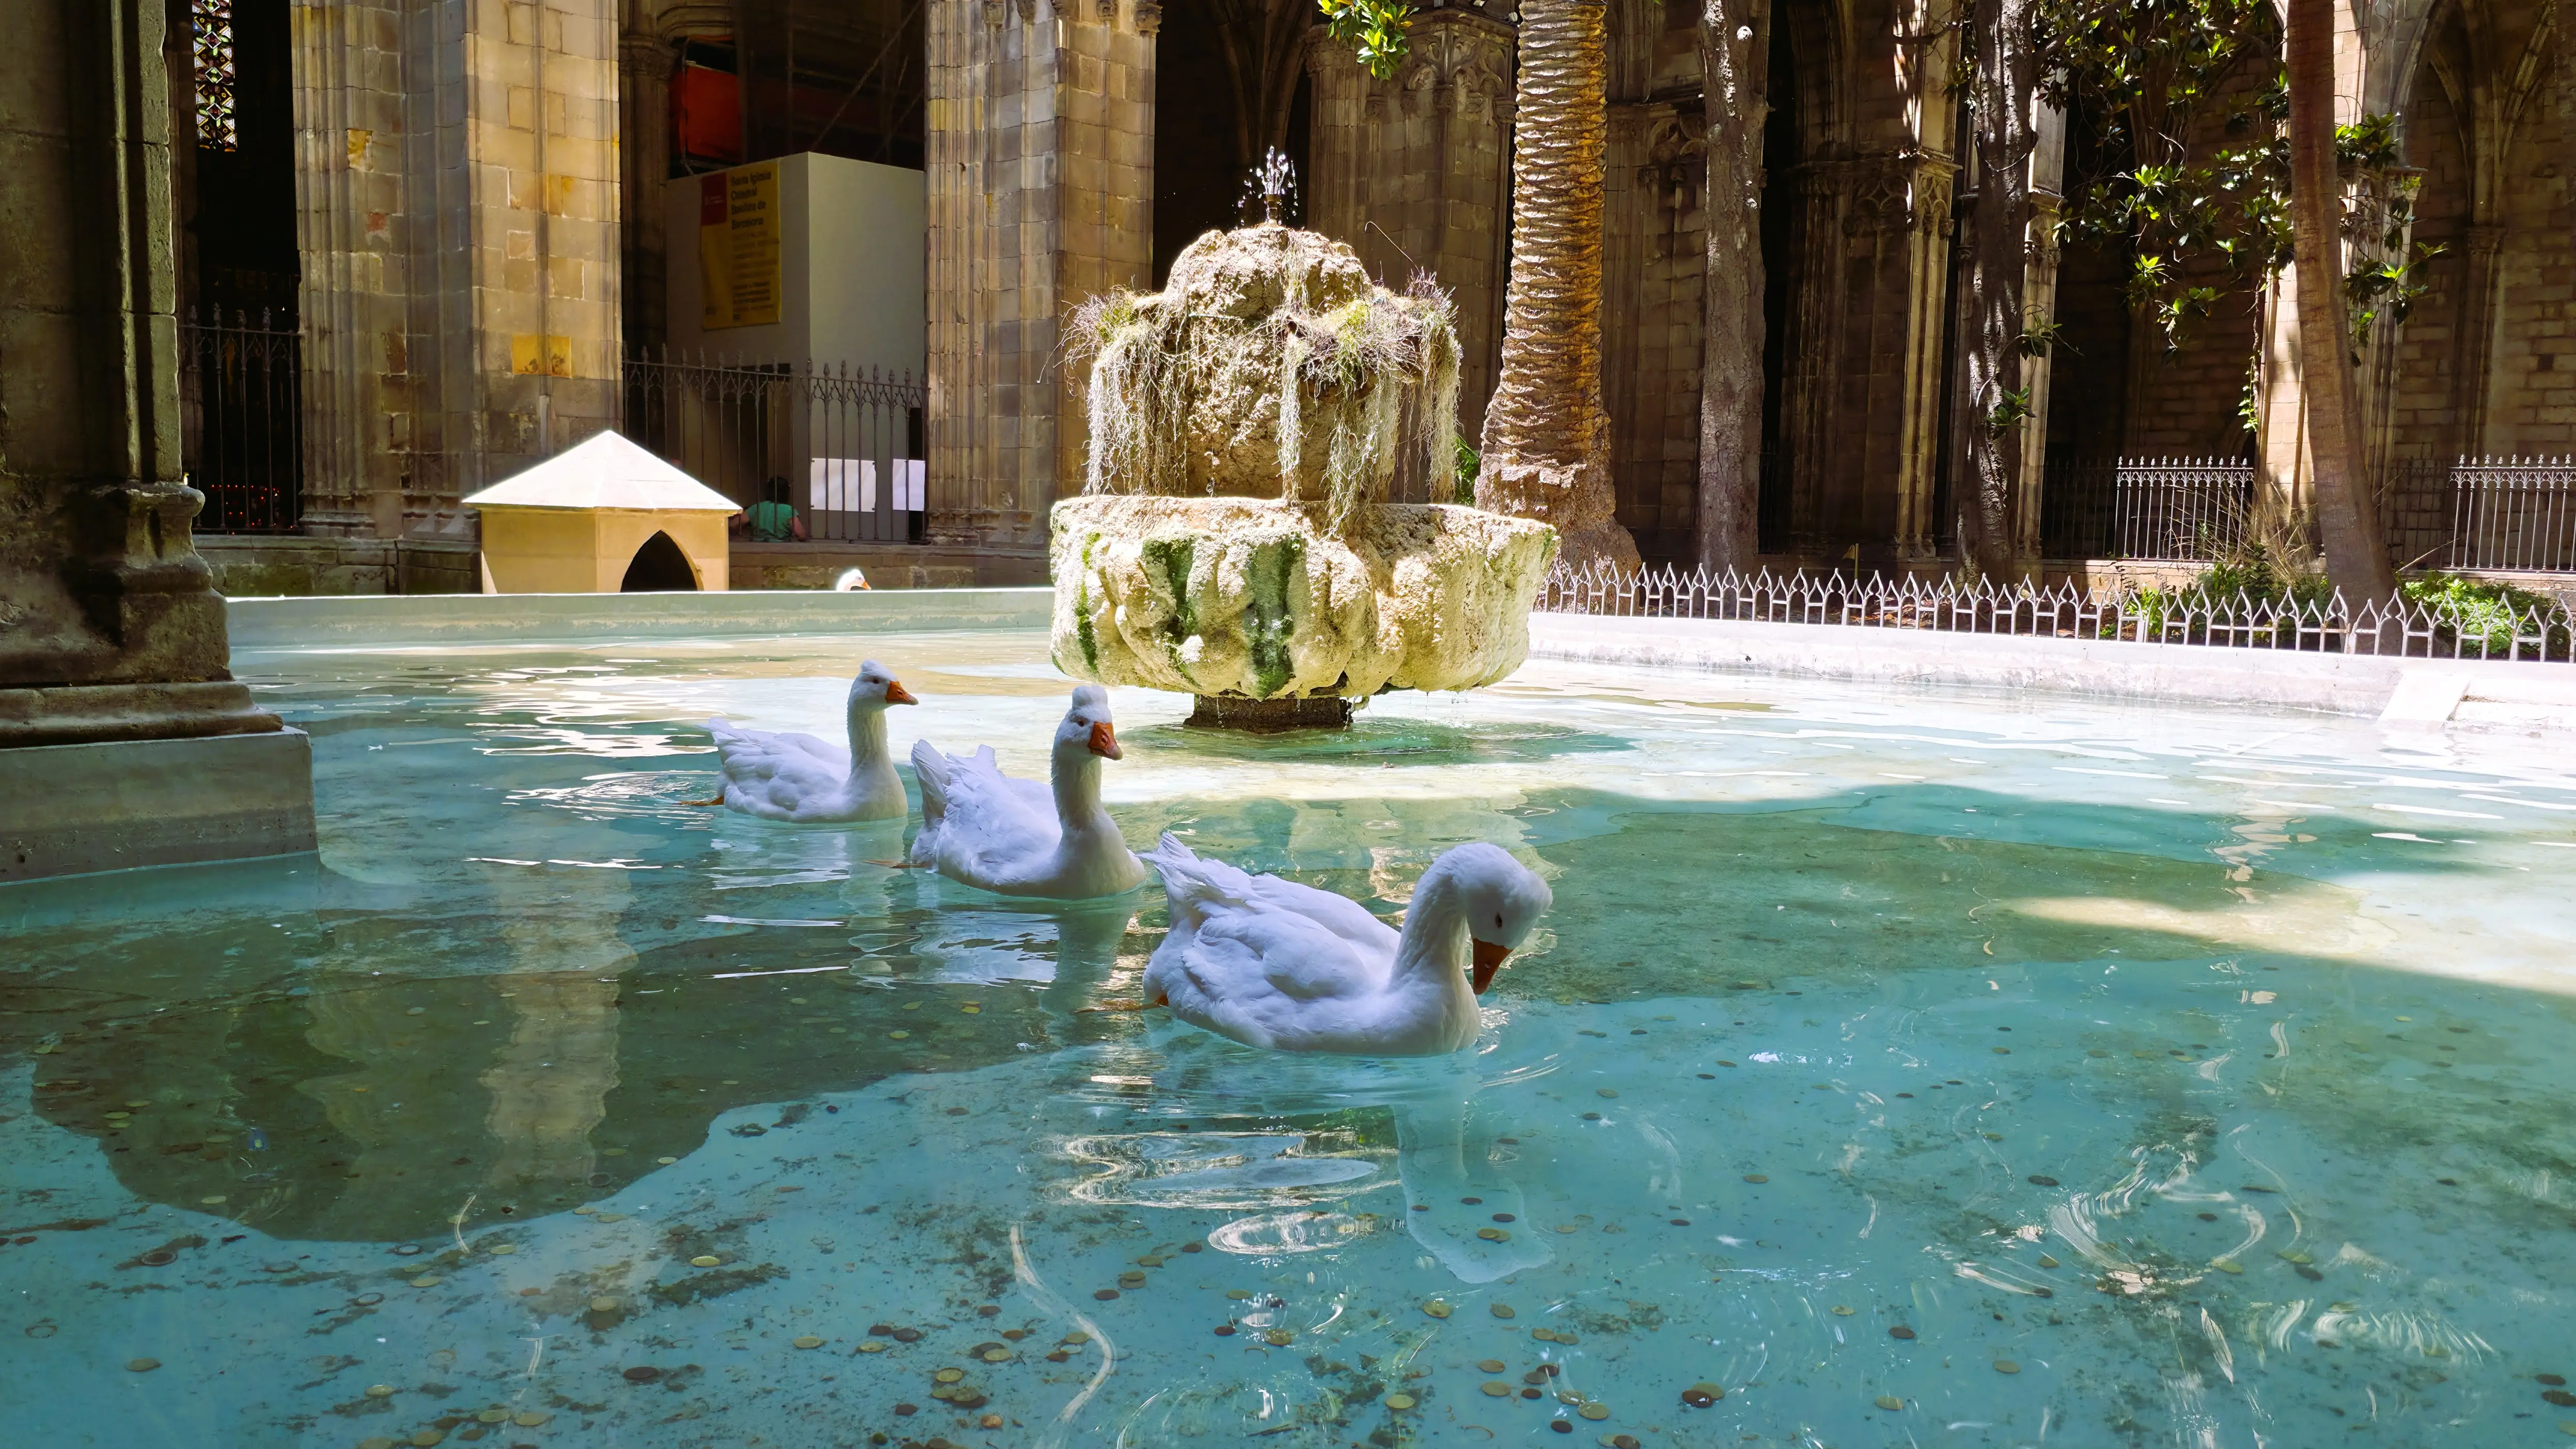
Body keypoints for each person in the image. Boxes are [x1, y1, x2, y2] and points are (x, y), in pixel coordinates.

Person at [732, 476, 807, 542]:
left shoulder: (757, 507)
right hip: (781, 547)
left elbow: (733, 524)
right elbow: (801, 534)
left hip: (757, 546)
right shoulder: (789, 510)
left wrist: (739, 534)